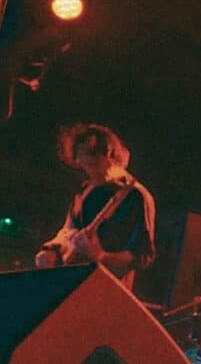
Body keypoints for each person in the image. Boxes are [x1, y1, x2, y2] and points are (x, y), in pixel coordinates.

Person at [35, 123, 156, 290]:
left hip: (105, 292)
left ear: (112, 156)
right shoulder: (84, 189)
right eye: (85, 166)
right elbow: (68, 231)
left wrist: (100, 256)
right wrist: (51, 250)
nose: (90, 172)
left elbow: (142, 255)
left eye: (94, 165)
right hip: (70, 285)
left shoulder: (135, 196)